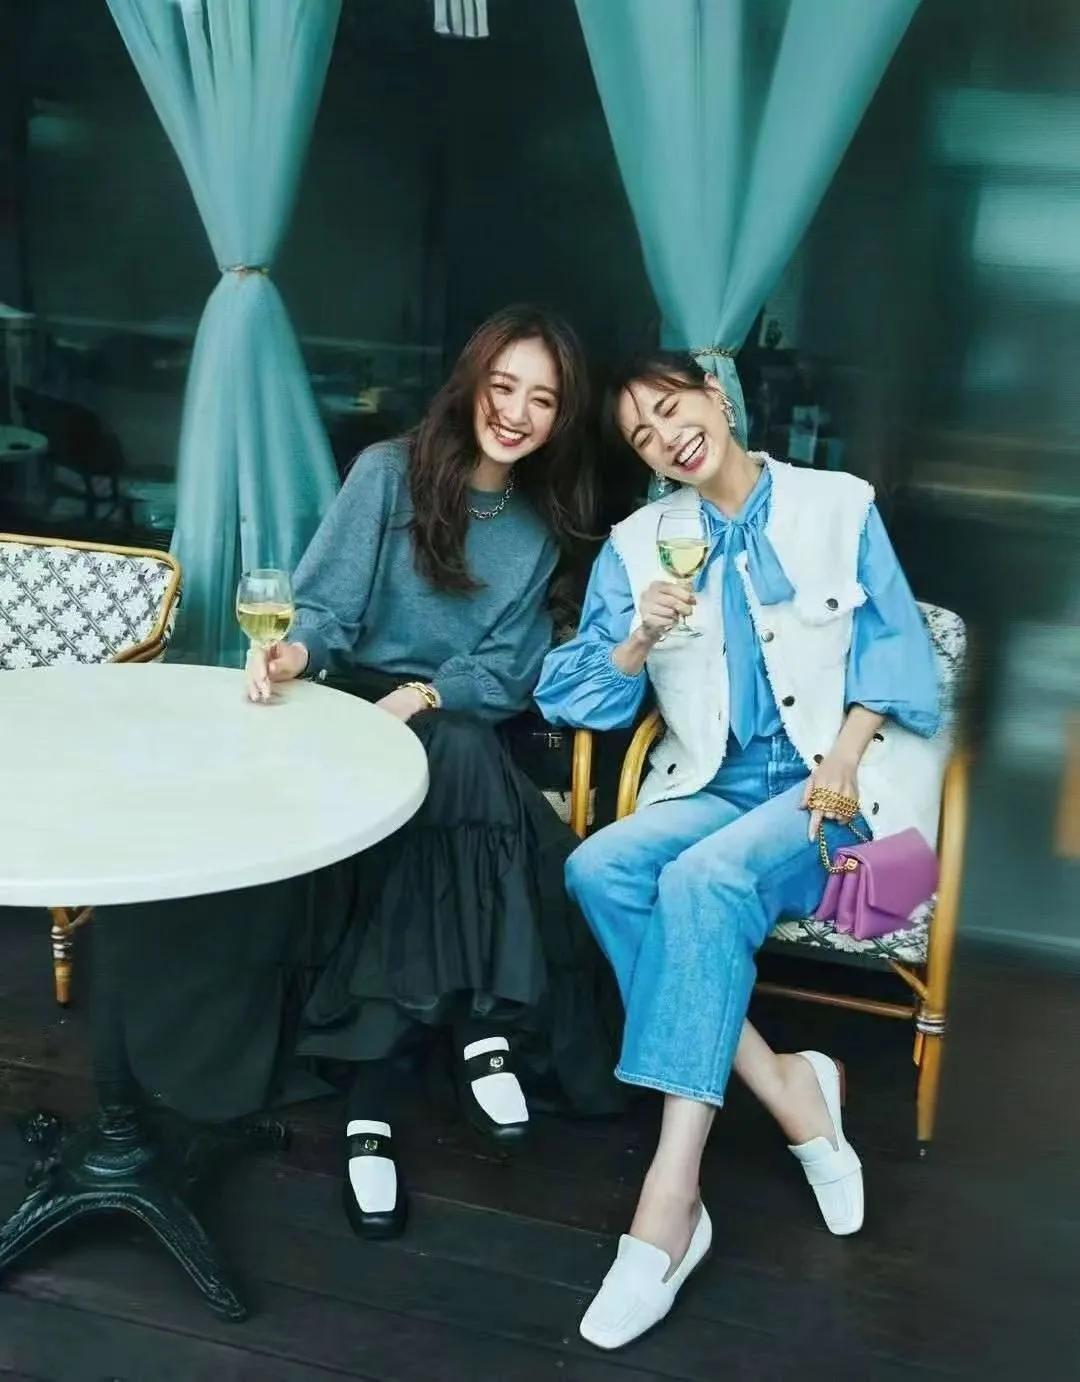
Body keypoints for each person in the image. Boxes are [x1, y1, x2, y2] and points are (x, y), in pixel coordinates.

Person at [534, 352, 945, 1350]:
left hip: (841, 794)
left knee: (704, 879)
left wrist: (840, 760)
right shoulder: (641, 546)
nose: (667, 436)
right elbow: (575, 696)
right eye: (642, 435)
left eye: (672, 407)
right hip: (713, 788)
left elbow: (899, 658)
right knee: (599, 867)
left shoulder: (839, 504)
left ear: (715, 398)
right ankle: (787, 1085)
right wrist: (636, 640)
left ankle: (671, 1201)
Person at [245, 305, 620, 1241]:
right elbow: (325, 612)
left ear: (561, 417)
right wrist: (293, 654)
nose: (517, 413)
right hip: (353, 709)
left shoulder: (538, 524)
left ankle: (370, 1104)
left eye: (543, 400)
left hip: (446, 719)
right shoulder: (386, 473)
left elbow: (504, 671)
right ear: (472, 381)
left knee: (453, 747)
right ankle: (481, 1026)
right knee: (463, 763)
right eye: (504, 386)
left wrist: (421, 698)